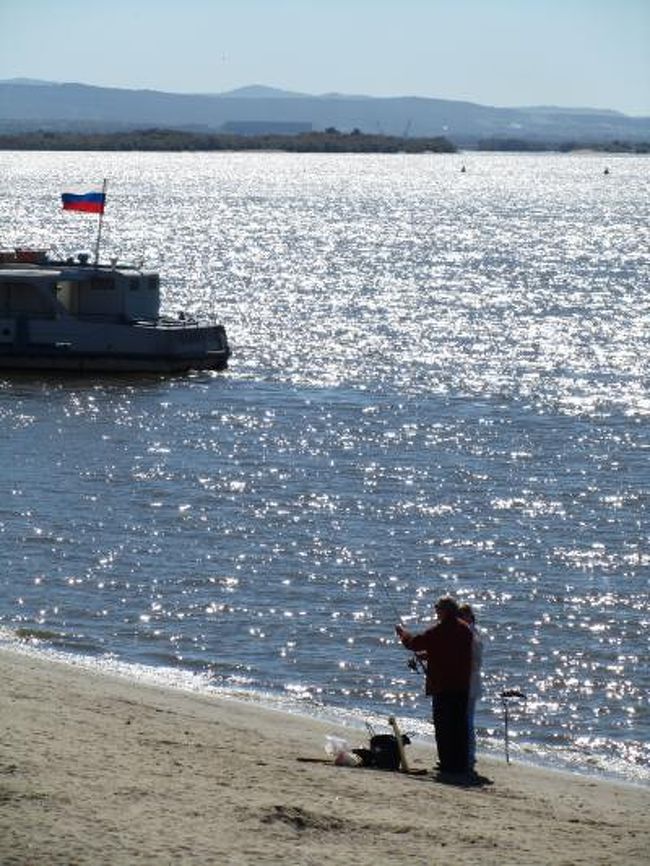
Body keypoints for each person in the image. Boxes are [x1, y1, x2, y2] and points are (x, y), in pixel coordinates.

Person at [395, 596, 472, 777]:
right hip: (462, 685)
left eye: (437, 607)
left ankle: (447, 763)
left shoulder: (438, 630)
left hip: (443, 685)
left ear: (445, 610)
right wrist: (428, 655)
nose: (435, 611)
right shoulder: (465, 629)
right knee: (459, 726)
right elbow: (452, 652)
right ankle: (460, 763)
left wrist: (402, 633)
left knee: (443, 726)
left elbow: (413, 643)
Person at [458, 603, 483, 772]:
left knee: (467, 721)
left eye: (462, 616)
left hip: (469, 685)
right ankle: (463, 754)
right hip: (462, 684)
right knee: (461, 720)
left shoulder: (473, 635)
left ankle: (469, 756)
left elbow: (475, 663)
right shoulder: (464, 633)